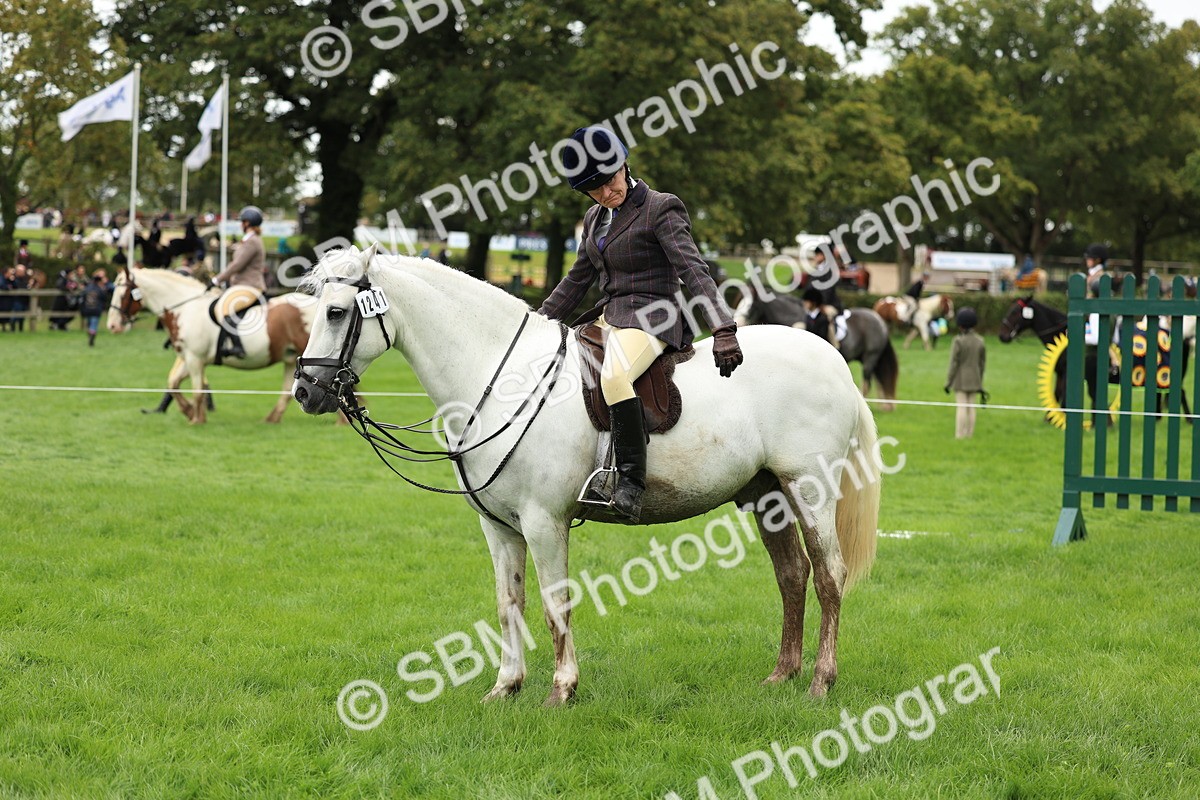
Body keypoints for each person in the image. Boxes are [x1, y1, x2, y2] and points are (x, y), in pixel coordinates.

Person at [538, 126, 742, 522]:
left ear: (624, 164)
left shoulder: (661, 207)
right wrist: (536, 322)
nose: (605, 193)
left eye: (609, 181)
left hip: (654, 317)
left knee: (614, 376)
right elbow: (577, 279)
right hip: (608, 318)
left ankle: (630, 483)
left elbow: (693, 268)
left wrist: (723, 328)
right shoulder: (594, 218)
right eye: (593, 189)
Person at [212, 205, 267, 359]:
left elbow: (237, 265)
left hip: (250, 286)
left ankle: (238, 346)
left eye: (242, 221)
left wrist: (217, 279)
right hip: (244, 285)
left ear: (247, 223)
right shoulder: (249, 240)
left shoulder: (252, 242)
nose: (240, 224)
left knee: (223, 309)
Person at [945, 307, 986, 439]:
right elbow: (982, 363)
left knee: (961, 407)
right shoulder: (980, 341)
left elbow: (953, 363)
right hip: (975, 378)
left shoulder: (958, 341)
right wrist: (980, 379)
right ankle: (969, 434)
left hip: (960, 379)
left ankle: (959, 434)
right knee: (971, 407)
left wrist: (948, 382)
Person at [80, 269, 110, 347]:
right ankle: (92, 333)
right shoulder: (100, 289)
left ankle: (90, 333)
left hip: (87, 309)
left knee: (89, 323)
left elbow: (82, 298)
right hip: (96, 310)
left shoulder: (87, 289)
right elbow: (104, 298)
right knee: (94, 324)